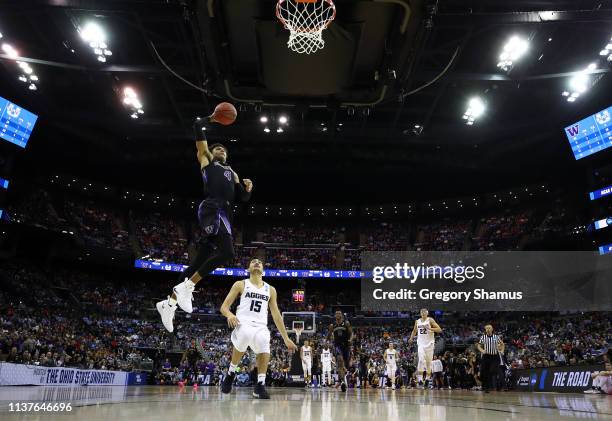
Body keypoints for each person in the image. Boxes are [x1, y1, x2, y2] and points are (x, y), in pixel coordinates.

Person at [156, 115, 253, 333]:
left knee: (196, 264)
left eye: (224, 150)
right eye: (217, 149)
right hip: (212, 208)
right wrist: (207, 120)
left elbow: (242, 198)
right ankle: (188, 286)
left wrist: (248, 189)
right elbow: (198, 132)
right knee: (227, 253)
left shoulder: (233, 173)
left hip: (226, 213)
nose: (221, 151)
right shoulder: (207, 159)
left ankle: (169, 304)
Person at [219, 258, 296, 399]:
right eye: (253, 261)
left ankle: (260, 385)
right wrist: (229, 315)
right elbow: (224, 307)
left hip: (260, 326)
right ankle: (230, 373)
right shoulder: (240, 284)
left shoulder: (270, 290)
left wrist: (286, 338)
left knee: (264, 339)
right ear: (248, 269)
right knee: (245, 333)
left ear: (263, 269)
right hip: (243, 323)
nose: (256, 263)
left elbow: (277, 316)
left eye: (259, 262)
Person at [409, 308, 442, 388]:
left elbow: (439, 330)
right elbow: (414, 331)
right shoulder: (417, 321)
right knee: (420, 360)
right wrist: (411, 338)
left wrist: (430, 328)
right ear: (420, 314)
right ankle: (420, 379)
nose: (423, 314)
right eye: (422, 313)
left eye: (425, 313)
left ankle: (427, 379)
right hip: (421, 344)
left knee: (428, 363)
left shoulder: (430, 320)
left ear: (427, 313)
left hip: (430, 344)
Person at [328, 310, 353, 391]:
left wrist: (350, 340)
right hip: (337, 346)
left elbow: (352, 333)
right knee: (340, 360)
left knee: (344, 366)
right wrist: (327, 339)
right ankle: (342, 381)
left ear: (342, 315)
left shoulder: (346, 323)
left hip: (346, 345)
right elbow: (329, 335)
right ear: (335, 316)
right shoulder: (332, 325)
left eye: (339, 313)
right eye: (336, 313)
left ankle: (340, 379)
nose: (337, 314)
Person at [476, 324, 504, 393]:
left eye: (489, 328)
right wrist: (482, 350)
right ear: (485, 330)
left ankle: (496, 386)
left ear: (492, 329)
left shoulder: (496, 337)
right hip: (486, 356)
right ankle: (486, 387)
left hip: (494, 356)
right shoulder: (483, 337)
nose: (488, 329)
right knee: (484, 372)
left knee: (492, 371)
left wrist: (502, 351)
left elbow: (502, 344)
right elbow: (478, 346)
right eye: (486, 328)